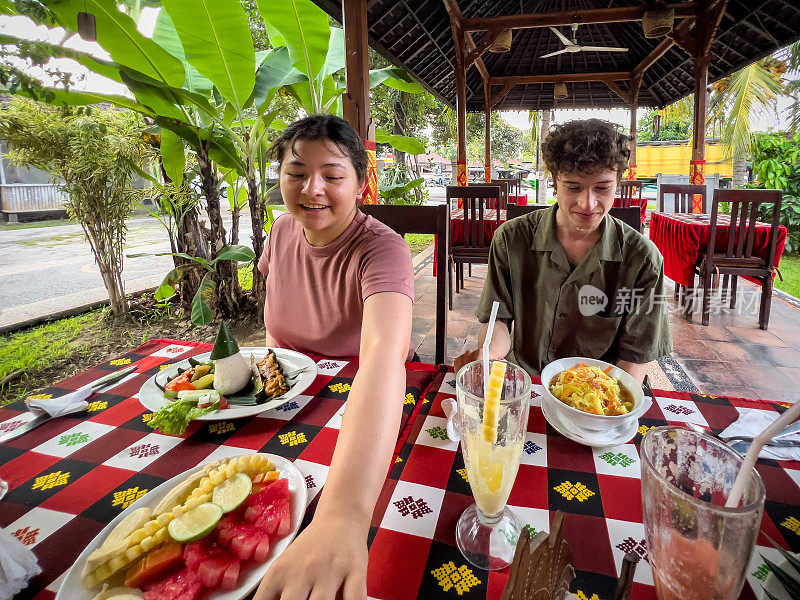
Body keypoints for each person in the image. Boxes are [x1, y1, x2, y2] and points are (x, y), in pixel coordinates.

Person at [254, 114, 414, 600]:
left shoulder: (382, 250)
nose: (312, 189)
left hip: (366, 413)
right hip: (286, 405)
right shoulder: (281, 233)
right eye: (297, 172)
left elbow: (385, 357)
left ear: (361, 185)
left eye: (333, 175)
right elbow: (271, 330)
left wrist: (342, 517)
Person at [454, 119, 672, 383]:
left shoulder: (642, 260)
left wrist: (606, 405)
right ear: (555, 181)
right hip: (525, 380)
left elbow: (636, 356)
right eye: (573, 187)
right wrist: (490, 354)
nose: (588, 203)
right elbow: (497, 319)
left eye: (603, 188)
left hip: (602, 390)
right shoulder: (511, 240)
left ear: (618, 182)